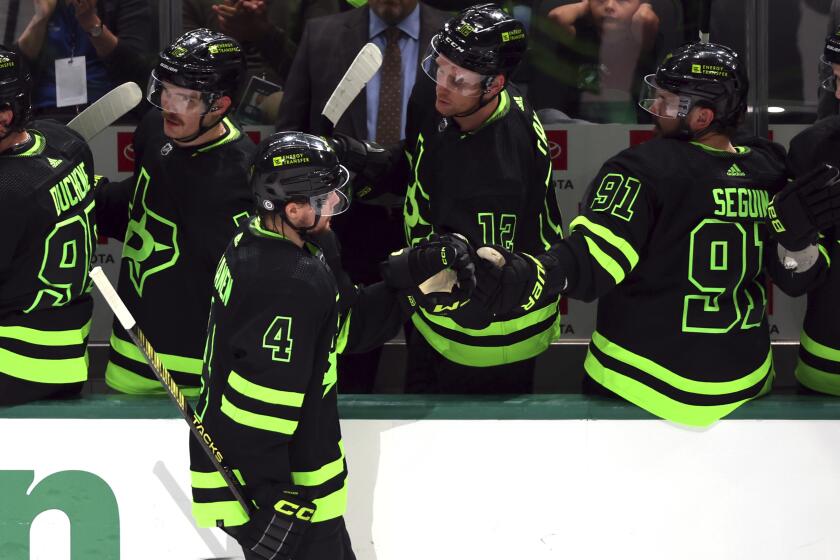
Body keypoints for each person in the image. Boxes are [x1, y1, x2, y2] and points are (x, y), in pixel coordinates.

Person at [471, 41, 840, 426]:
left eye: (667, 101)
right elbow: (797, 279)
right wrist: (796, 242)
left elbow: (592, 259)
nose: (655, 109)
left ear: (701, 117)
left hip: (638, 383)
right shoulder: (768, 168)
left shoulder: (642, 168)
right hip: (744, 381)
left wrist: (531, 275)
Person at [187, 131, 472, 559]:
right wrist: (266, 505)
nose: (335, 207)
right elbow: (258, 408)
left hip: (292, 492)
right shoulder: (286, 282)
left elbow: (339, 330)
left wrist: (408, 286)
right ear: (293, 207)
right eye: (325, 199)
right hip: (285, 498)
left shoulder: (265, 242)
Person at [329, 4, 565, 394]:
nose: (442, 83)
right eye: (440, 67)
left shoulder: (498, 167)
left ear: (495, 84)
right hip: (441, 326)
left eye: (459, 79)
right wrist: (359, 155)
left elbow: (479, 282)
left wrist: (394, 278)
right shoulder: (458, 103)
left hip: (487, 339)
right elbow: (421, 162)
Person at [276, 0, 448, 392]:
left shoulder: (453, 38)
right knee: (348, 357)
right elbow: (290, 130)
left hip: (429, 222)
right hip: (347, 225)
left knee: (434, 355)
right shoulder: (322, 36)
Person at [95, 29, 256, 395]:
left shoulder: (243, 175)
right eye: (165, 89)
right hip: (128, 358)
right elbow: (141, 210)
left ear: (220, 105)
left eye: (184, 97)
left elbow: (250, 287)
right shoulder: (153, 130)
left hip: (199, 378)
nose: (168, 104)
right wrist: (88, 192)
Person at [0, 45, 97, 406]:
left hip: (16, 362)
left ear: (5, 116)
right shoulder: (65, 141)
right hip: (70, 355)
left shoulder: (8, 192)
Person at [785, 96, 840, 394]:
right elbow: (794, 280)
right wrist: (791, 238)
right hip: (829, 366)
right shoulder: (815, 147)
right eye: (836, 78)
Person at [528, 0, 660, 123]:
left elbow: (645, 17)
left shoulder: (639, 39)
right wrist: (585, 5)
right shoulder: (581, 35)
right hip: (581, 123)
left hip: (627, 124)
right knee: (549, 116)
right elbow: (557, 16)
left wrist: (644, 5)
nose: (609, 6)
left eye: (621, 0)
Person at [15, 0, 151, 118]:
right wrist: (41, 18)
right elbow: (13, 71)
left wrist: (90, 21)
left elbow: (135, 68)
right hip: (43, 112)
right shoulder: (31, 6)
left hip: (107, 111)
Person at [182, 0, 340, 89]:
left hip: (290, 113)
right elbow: (178, 71)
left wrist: (265, 35)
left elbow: (323, 78)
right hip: (209, 110)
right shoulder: (191, 4)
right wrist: (226, 41)